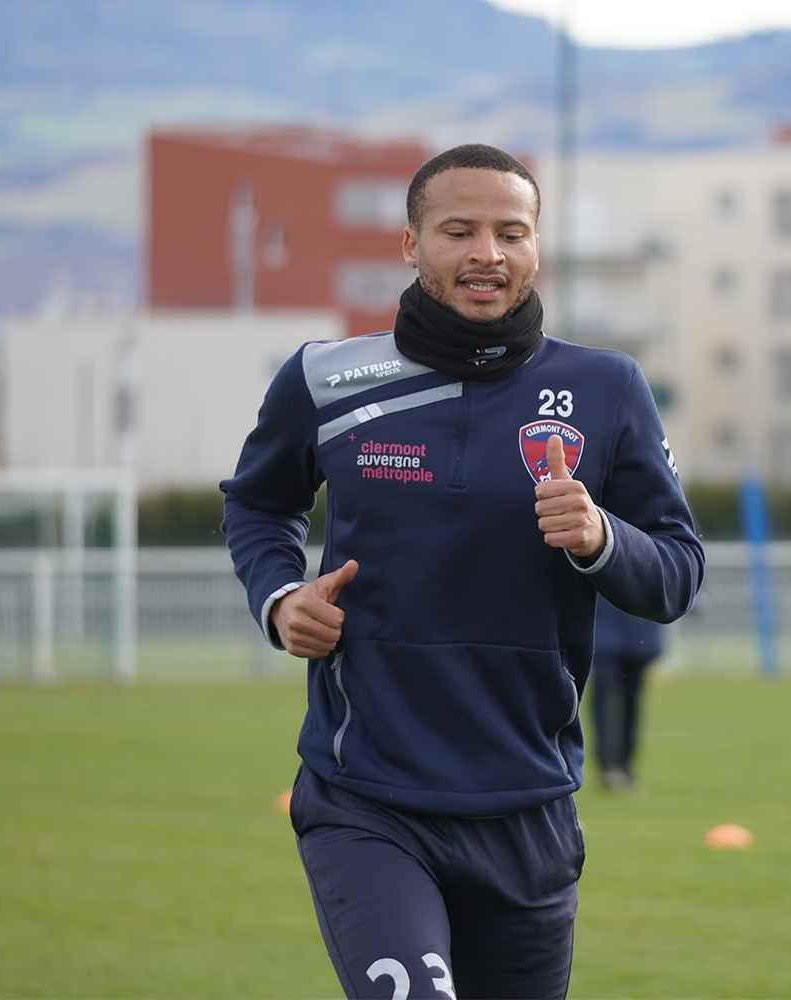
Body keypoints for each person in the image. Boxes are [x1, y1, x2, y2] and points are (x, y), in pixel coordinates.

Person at [220, 143, 703, 999]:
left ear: (535, 247)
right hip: (369, 801)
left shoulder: (607, 389)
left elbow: (676, 574)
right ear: (410, 244)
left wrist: (599, 538)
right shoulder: (327, 382)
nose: (488, 252)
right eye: (459, 230)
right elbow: (258, 505)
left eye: (511, 232)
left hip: (530, 809)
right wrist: (280, 598)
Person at [590, 595, 664, 789]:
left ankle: (625, 764)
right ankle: (608, 765)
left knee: (631, 701)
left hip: (638, 636)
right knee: (604, 696)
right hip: (604, 633)